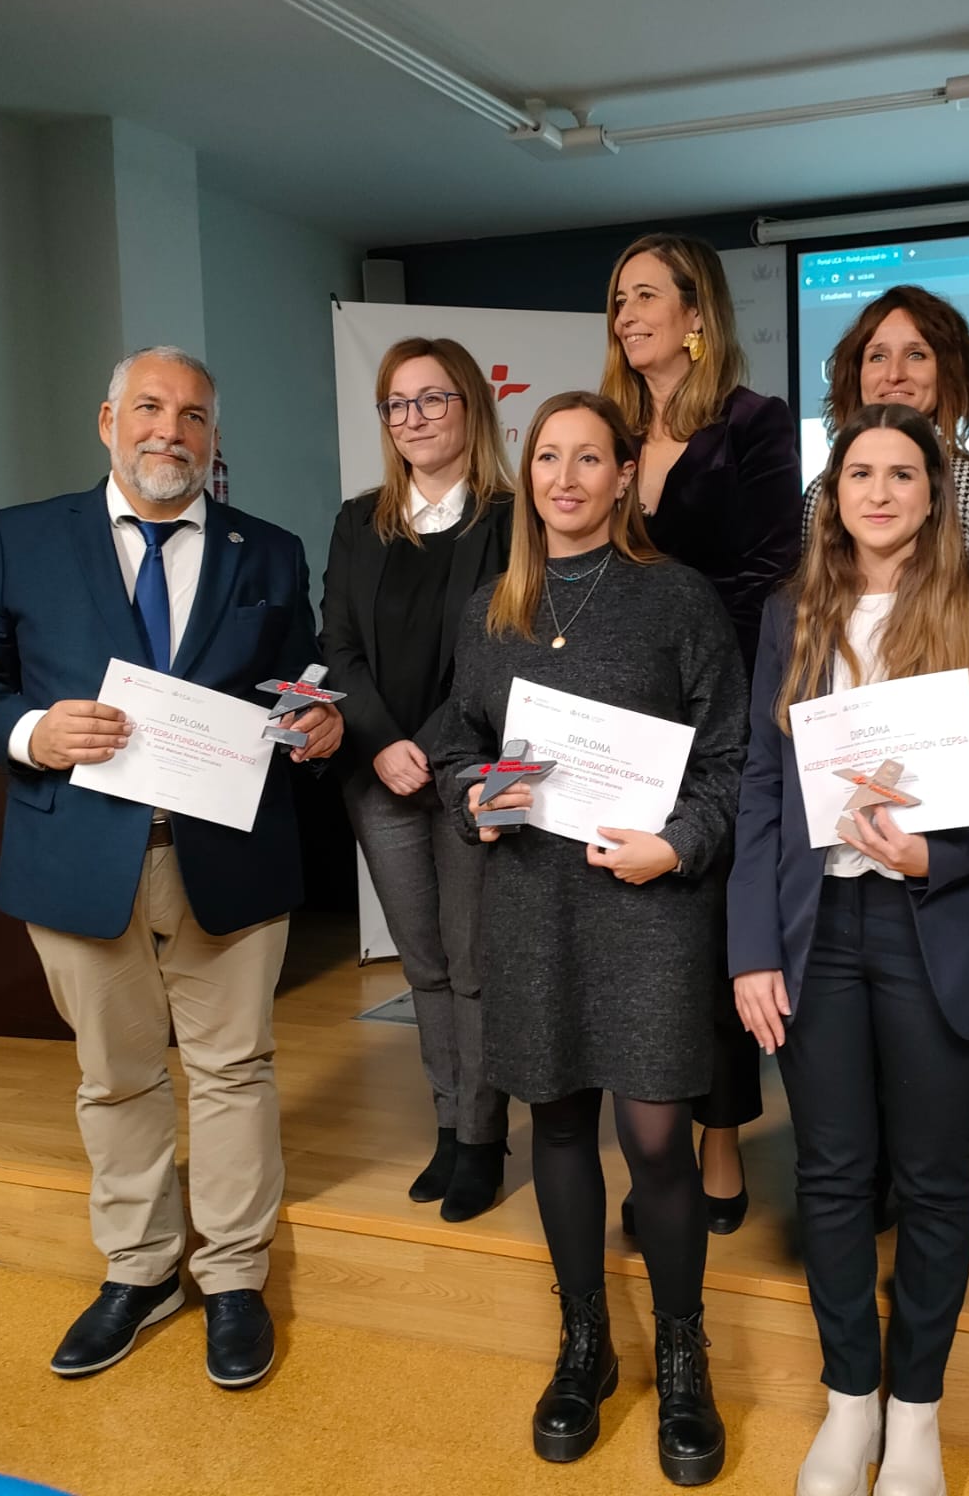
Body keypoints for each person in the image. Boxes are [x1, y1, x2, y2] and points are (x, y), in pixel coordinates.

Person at [0, 346, 343, 1391]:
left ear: (214, 437)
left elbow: (293, 685)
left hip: (229, 856)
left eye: (194, 415)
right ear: (107, 421)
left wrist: (316, 722)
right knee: (114, 1077)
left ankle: (234, 1275)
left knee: (235, 1070)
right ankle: (141, 1269)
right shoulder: (22, 537)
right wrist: (30, 731)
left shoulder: (270, 551)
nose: (171, 430)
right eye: (150, 408)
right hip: (78, 853)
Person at [731, 403, 969, 1496]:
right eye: (858, 473)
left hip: (932, 919)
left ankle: (915, 1415)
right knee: (829, 1176)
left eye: (902, 473)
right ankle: (848, 1404)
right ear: (833, 495)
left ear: (932, 493)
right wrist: (750, 949)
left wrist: (934, 856)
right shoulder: (789, 613)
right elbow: (762, 785)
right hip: (814, 929)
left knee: (931, 1179)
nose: (878, 491)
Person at [431, 390, 748, 1486]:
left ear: (622, 478)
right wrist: (473, 794)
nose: (565, 478)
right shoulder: (491, 608)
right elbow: (455, 743)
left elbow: (728, 758)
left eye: (589, 459)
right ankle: (584, 1344)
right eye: (548, 458)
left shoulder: (677, 598)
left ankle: (682, 1355)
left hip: (650, 906)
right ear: (528, 476)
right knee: (557, 1126)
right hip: (533, 903)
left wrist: (681, 845)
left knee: (656, 1142)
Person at [601, 231, 802, 1233]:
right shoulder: (604, 428)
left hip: (722, 709)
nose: (626, 314)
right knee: (647, 939)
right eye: (617, 301)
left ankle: (720, 1142)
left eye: (645, 295)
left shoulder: (753, 424)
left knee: (717, 924)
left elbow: (769, 573)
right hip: (617, 717)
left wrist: (679, 661)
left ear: (695, 312)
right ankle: (658, 1144)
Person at [319, 337, 515, 1223]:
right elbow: (337, 647)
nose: (414, 418)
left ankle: (483, 1136)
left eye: (433, 398)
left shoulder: (511, 519)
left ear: (470, 405)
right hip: (377, 776)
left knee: (474, 966)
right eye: (398, 403)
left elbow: (503, 649)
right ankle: (447, 1123)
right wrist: (380, 742)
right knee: (425, 965)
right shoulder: (358, 522)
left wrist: (427, 747)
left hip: (469, 773)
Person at [800, 285, 969, 570]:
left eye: (916, 355)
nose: (894, 374)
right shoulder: (822, 490)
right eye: (877, 357)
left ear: (949, 371)